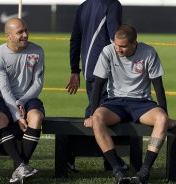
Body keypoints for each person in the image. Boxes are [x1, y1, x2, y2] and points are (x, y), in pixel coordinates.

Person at [84, 24, 175, 184]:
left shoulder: (149, 52)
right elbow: (98, 85)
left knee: (161, 119)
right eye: (116, 45)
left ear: (135, 43)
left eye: (123, 47)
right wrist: (92, 114)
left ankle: (145, 170)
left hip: (142, 103)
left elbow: (158, 86)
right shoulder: (108, 51)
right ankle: (117, 170)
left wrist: (165, 115)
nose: (118, 50)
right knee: (98, 118)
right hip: (115, 103)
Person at [65, 0, 125, 172]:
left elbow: (74, 38)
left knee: (96, 110)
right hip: (108, 69)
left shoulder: (84, 5)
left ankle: (106, 160)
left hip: (89, 69)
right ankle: (109, 161)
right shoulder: (112, 4)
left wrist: (75, 70)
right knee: (102, 113)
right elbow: (116, 37)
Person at [0, 18, 45, 183]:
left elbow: (38, 84)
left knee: (36, 117)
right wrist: (16, 114)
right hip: (4, 98)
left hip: (28, 97)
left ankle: (21, 167)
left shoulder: (38, 51)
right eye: (20, 32)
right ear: (8, 35)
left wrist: (22, 101)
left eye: (26, 30)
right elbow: (5, 90)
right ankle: (21, 165)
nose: (25, 35)